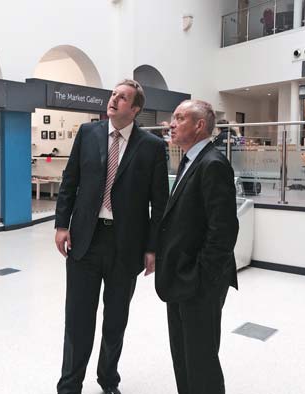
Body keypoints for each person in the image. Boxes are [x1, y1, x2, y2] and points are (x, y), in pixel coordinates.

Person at [54, 79, 169, 394]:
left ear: (135, 109)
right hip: (84, 241)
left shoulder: (152, 147)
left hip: (126, 246)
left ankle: (108, 379)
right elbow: (70, 180)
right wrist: (61, 224)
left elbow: (159, 203)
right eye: (113, 95)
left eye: (123, 97)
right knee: (78, 319)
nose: (114, 100)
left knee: (115, 320)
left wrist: (152, 247)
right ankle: (69, 385)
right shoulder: (87, 133)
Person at [155, 100, 239, 394]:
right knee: (183, 356)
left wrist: (201, 278)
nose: (171, 124)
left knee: (201, 360)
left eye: (179, 118)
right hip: (180, 276)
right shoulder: (189, 160)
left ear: (199, 125)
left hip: (198, 282)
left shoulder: (213, 164)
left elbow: (224, 231)